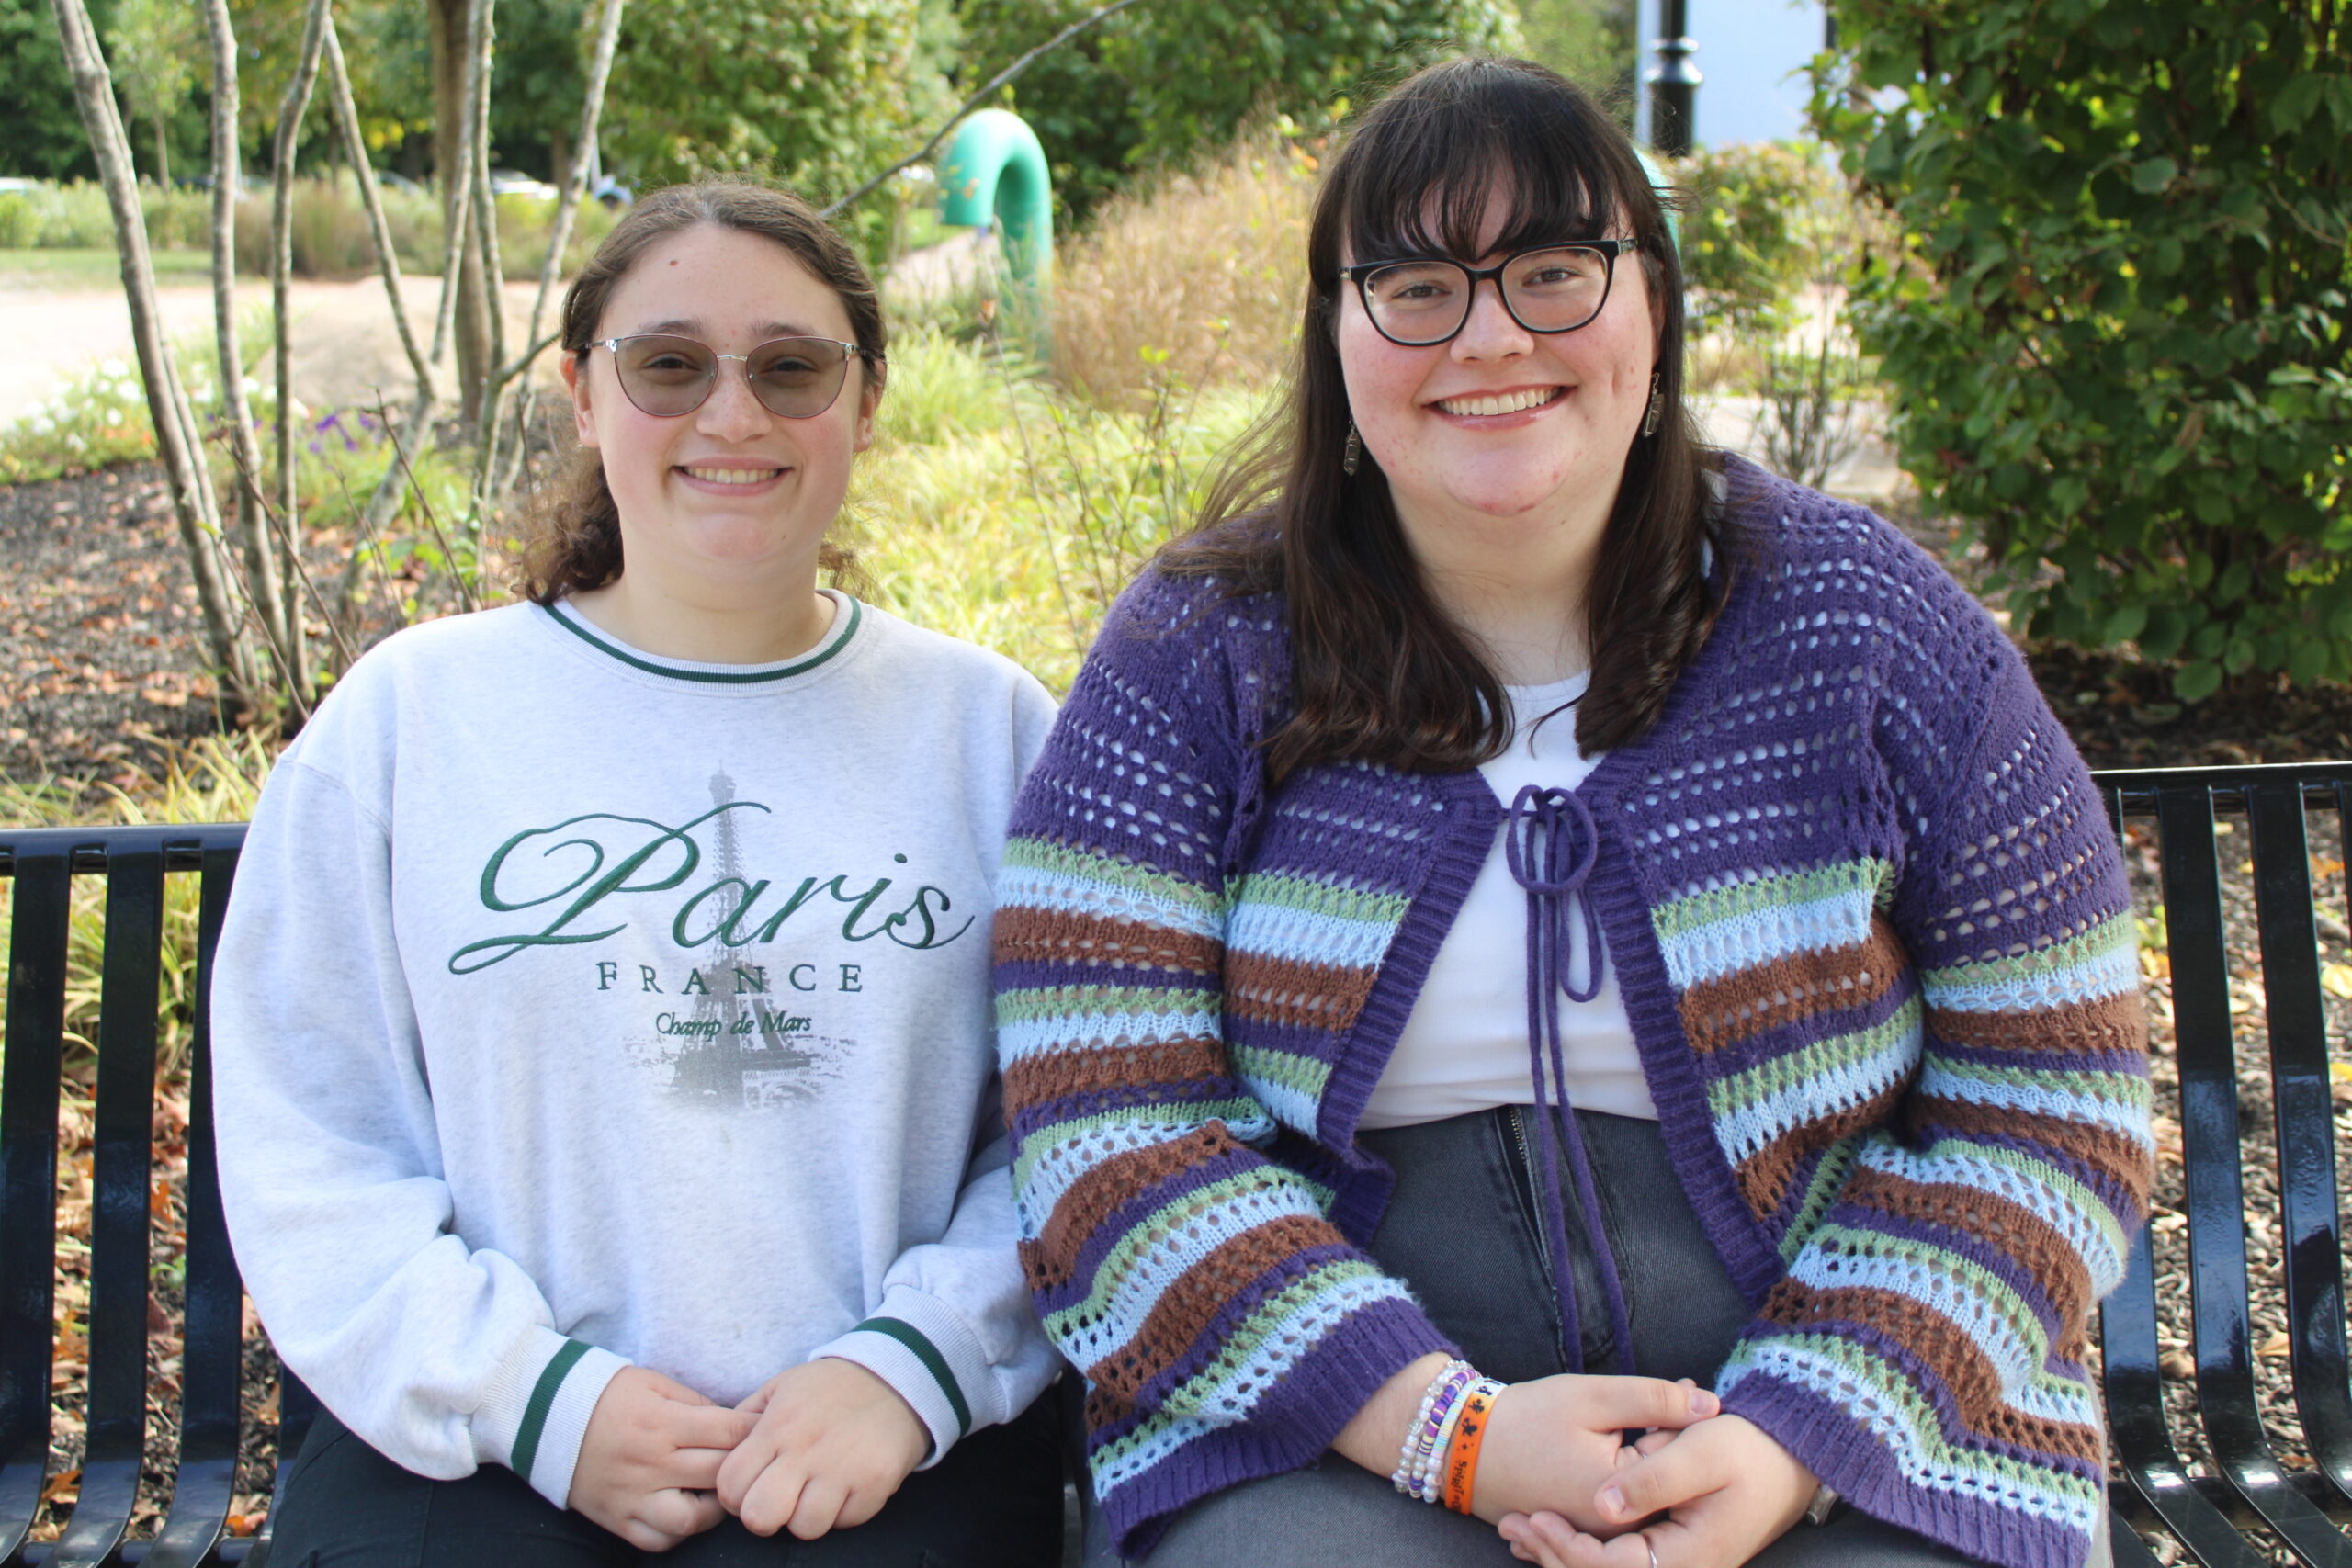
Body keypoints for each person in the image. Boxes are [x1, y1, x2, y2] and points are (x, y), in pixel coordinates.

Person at [992, 58, 2150, 1568]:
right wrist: (1442, 1427)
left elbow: (2055, 1101)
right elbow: (1102, 1107)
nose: (1487, 335)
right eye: (1413, 284)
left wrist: (1792, 1441)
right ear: (1336, 338)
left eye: (1553, 270)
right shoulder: (1199, 646)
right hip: (1325, 1405)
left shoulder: (1867, 627)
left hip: (1864, 1395)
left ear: (1653, 311)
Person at [213, 182, 1066, 1566]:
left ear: (865, 400)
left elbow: (1075, 1124)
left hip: (885, 1444)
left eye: (792, 368)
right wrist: (535, 1398)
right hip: (480, 1449)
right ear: (582, 394)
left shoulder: (989, 731)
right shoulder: (412, 720)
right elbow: (311, 1129)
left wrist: (912, 1368)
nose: (733, 415)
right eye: (669, 364)